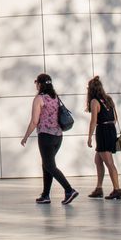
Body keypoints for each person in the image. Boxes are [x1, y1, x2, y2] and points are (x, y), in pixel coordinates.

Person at [20, 73, 77, 205]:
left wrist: (25, 137)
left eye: (36, 83)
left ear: (39, 84)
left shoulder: (39, 99)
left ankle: (69, 190)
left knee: (49, 165)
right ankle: (45, 195)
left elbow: (34, 121)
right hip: (58, 137)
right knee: (47, 164)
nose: (36, 85)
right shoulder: (55, 97)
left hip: (46, 136)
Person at [85, 75, 121, 200]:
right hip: (111, 129)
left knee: (109, 163)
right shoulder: (109, 99)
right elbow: (115, 118)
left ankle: (117, 190)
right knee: (98, 160)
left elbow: (93, 120)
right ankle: (99, 188)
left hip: (103, 131)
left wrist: (89, 137)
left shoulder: (94, 101)